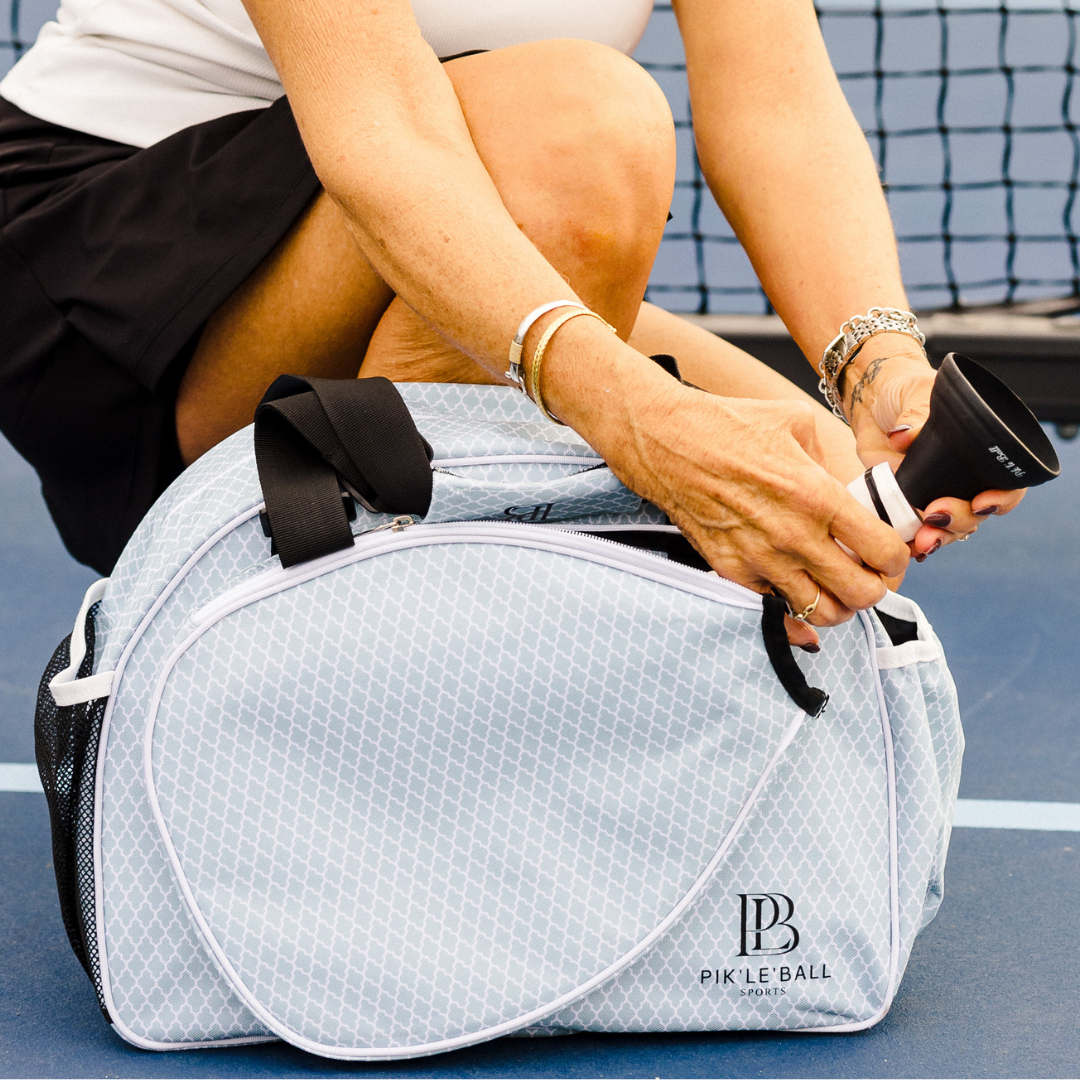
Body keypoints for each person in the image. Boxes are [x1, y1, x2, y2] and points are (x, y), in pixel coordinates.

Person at [0, 0, 1023, 648]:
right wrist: (645, 431)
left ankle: (440, 641)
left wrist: (877, 368)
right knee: (583, 132)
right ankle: (345, 687)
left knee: (829, 503)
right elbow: (384, 140)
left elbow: (778, 110)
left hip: (400, 235)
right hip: (116, 279)